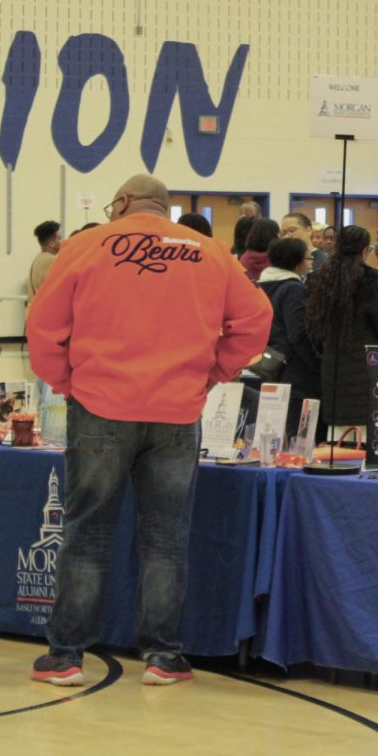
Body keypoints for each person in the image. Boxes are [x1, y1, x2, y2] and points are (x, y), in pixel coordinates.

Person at [26, 174, 272, 687]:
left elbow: (43, 324)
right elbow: (255, 318)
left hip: (100, 404)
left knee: (87, 531)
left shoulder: (85, 245)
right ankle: (163, 655)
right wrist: (213, 372)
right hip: (177, 411)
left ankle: (67, 655)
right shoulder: (208, 252)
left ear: (120, 205)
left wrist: (65, 378)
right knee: (166, 537)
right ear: (165, 208)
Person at [306, 225, 378, 436]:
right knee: (363, 441)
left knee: (336, 438)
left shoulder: (320, 279)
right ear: (364, 250)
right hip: (365, 367)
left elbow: (313, 327)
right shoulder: (370, 281)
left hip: (331, 366)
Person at [257, 237, 321, 434]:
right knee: (299, 434)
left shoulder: (264, 285)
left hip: (271, 364)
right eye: (309, 257)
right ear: (296, 261)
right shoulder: (294, 288)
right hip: (295, 370)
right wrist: (317, 363)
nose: (312, 261)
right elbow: (298, 333)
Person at [26, 220, 62, 310]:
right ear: (51, 243)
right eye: (59, 238)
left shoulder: (37, 259)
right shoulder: (52, 260)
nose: (63, 241)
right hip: (47, 313)